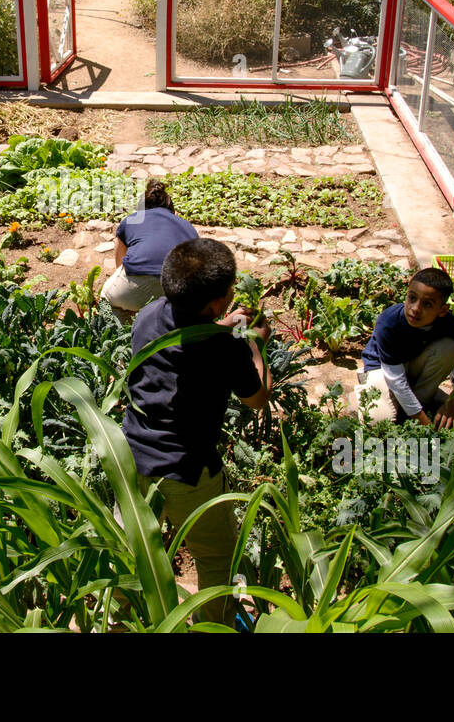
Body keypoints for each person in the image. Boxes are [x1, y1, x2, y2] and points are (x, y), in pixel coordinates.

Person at [124, 238, 271, 627]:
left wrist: (225, 325)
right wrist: (255, 344)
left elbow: (189, 338)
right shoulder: (227, 349)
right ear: (216, 304)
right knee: (217, 558)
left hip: (132, 456)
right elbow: (258, 398)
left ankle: (125, 616)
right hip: (188, 471)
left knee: (134, 548)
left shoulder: (148, 314)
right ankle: (216, 623)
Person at [353, 267, 454, 427]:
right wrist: (425, 424)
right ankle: (367, 390)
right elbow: (396, 380)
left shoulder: (451, 325)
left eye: (428, 304)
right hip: (383, 369)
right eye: (412, 298)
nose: (415, 308)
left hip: (415, 366)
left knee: (451, 347)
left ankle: (417, 402)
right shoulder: (389, 322)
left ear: (442, 310)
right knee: (377, 421)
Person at [101, 179, 198, 319]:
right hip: (181, 289)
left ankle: (124, 336)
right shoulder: (188, 226)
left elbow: (120, 264)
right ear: (173, 211)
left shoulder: (132, 219)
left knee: (108, 298)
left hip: (137, 282)